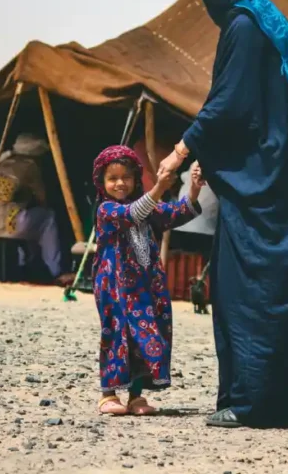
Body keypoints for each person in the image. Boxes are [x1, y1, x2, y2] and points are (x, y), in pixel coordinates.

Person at [158, 0, 288, 428]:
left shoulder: (243, 25)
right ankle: (278, 397)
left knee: (247, 286)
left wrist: (179, 152)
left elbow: (228, 105)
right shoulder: (266, 17)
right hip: (281, 170)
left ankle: (254, 402)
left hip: (265, 180)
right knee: (276, 279)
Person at [92, 145, 204, 416]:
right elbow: (131, 215)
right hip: (114, 287)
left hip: (145, 287)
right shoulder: (106, 209)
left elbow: (178, 213)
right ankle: (108, 394)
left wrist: (194, 188)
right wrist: (159, 188)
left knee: (146, 335)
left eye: (126, 178)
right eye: (112, 178)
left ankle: (135, 396)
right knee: (117, 334)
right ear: (102, 182)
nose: (120, 183)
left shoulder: (148, 207)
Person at [0, 132, 73, 285]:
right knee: (47, 219)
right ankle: (57, 271)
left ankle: (23, 265)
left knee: (29, 220)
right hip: (6, 225)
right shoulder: (29, 166)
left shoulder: (0, 163)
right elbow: (42, 198)